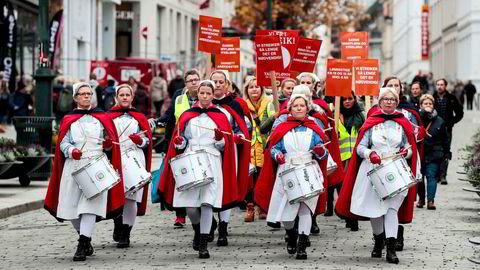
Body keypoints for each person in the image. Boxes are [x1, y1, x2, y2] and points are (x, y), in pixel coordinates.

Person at [335, 87, 418, 264]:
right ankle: (378, 240)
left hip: (395, 171)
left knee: (391, 209)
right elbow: (360, 147)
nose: (389, 102)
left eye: (392, 99)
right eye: (385, 99)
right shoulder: (371, 122)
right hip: (372, 169)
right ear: (379, 102)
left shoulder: (403, 122)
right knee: (376, 210)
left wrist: (406, 152)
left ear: (397, 102)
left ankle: (391, 249)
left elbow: (409, 147)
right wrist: (369, 154)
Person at [44, 82, 124, 261]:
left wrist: (109, 145)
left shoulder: (102, 117)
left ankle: (82, 243)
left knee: (90, 206)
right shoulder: (68, 119)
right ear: (76, 97)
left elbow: (109, 139)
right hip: (74, 164)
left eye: (89, 93)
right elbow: (63, 142)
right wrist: (71, 150)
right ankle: (84, 236)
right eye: (83, 94)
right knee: (70, 206)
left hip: (96, 164)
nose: (87, 96)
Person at [159, 80, 238, 258]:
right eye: (202, 93)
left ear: (212, 95)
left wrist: (220, 139)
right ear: (198, 94)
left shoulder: (220, 116)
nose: (204, 96)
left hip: (212, 160)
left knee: (207, 202)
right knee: (191, 207)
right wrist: (180, 142)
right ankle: (197, 228)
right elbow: (181, 139)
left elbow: (224, 146)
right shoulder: (188, 115)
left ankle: (203, 244)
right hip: (191, 158)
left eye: (208, 93)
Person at [255, 93, 329, 260]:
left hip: (308, 170)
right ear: (290, 109)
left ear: (307, 108)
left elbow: (323, 152)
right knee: (287, 214)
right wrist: (277, 155)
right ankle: (291, 233)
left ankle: (302, 246)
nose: (299, 108)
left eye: (302, 105)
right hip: (287, 170)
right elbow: (274, 147)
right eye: (295, 106)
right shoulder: (282, 126)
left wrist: (320, 151)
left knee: (305, 210)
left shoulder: (314, 127)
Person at [155, 69, 201, 227]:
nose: (194, 82)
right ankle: (180, 214)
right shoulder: (179, 96)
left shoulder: (205, 94)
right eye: (190, 80)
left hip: (198, 142)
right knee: (179, 175)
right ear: (186, 83)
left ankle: (198, 210)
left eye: (196, 79)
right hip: (179, 142)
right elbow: (169, 116)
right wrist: (157, 122)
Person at [108, 84, 152, 248]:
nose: (125, 97)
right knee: (116, 195)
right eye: (122, 95)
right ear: (116, 97)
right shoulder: (108, 117)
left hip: (134, 157)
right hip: (115, 159)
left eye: (128, 95)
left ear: (132, 98)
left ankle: (126, 233)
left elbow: (147, 141)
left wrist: (140, 141)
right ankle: (117, 220)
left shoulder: (139, 117)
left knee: (131, 197)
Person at [210, 70, 250, 246]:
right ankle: (208, 222)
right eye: (214, 82)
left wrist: (239, 136)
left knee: (225, 188)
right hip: (207, 152)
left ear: (226, 84)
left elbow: (243, 126)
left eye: (221, 82)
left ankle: (223, 228)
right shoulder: (202, 103)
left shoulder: (235, 104)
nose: (218, 85)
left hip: (228, 152)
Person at [330, 91, 364, 231]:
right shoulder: (336, 116)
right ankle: (345, 213)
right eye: (344, 99)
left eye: (350, 98)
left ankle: (353, 217)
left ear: (355, 99)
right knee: (343, 189)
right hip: (342, 159)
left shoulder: (362, 116)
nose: (347, 101)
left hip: (357, 158)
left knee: (354, 188)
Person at [242, 76, 273, 222]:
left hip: (264, 145)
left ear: (262, 89)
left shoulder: (269, 103)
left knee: (263, 178)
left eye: (257, 86)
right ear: (247, 90)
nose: (254, 89)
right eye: (251, 87)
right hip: (248, 145)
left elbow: (272, 123)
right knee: (249, 179)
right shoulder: (242, 105)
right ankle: (249, 207)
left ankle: (262, 206)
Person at [416, 94, 450, 210]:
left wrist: (446, 152)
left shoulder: (439, 121)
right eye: (425, 103)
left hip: (434, 153)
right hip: (419, 153)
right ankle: (421, 199)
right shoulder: (416, 119)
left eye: (430, 103)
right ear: (421, 105)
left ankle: (431, 200)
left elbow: (445, 138)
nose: (428, 105)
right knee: (419, 178)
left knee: (431, 177)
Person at [433, 78, 463, 185]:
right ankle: (436, 175)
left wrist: (452, 122)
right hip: (434, 130)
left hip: (447, 129)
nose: (439, 86)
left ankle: (443, 176)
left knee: (446, 151)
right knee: (435, 151)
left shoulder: (452, 98)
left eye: (441, 84)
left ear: (445, 86)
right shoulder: (432, 98)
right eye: (438, 84)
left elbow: (460, 112)